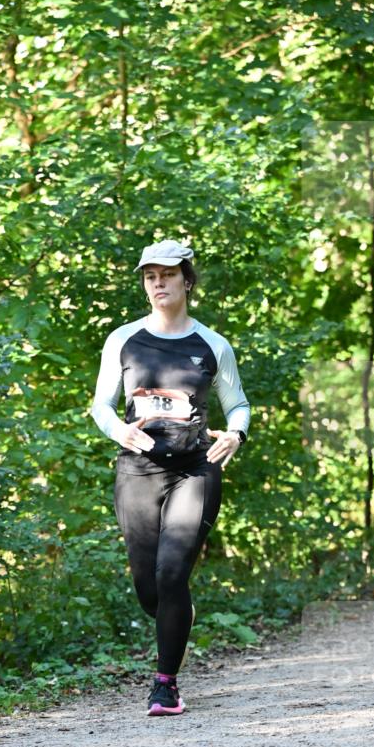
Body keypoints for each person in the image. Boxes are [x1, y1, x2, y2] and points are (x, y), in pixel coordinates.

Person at [91, 239, 250, 717]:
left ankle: (165, 685)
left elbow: (237, 404)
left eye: (167, 274)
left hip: (195, 470)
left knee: (172, 572)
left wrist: (236, 434)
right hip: (138, 470)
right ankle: (178, 617)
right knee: (149, 588)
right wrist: (120, 431)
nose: (158, 283)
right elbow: (101, 404)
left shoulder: (212, 345)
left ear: (186, 279)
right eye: (149, 276)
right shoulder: (123, 339)